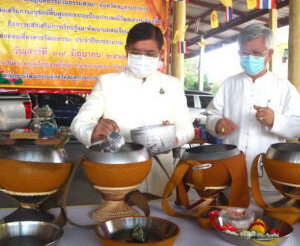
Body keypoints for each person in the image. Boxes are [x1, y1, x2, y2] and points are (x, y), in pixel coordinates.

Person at [70, 22, 194, 196]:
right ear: (126, 50)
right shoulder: (107, 83)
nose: (142, 58)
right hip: (118, 174)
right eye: (136, 53)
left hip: (160, 175)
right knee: (119, 217)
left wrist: (172, 137)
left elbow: (187, 129)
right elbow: (79, 122)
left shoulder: (172, 85)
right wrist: (93, 130)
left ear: (161, 53)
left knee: (160, 219)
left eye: (150, 53)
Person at [206, 23, 300, 190]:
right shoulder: (228, 84)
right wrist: (217, 124)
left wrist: (275, 121)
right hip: (231, 168)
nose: (250, 57)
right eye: (245, 53)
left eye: (256, 53)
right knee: (230, 211)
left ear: (269, 54)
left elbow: (297, 125)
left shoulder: (284, 87)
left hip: (269, 172)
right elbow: (211, 117)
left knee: (262, 213)